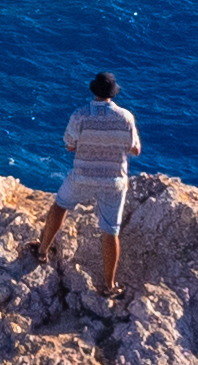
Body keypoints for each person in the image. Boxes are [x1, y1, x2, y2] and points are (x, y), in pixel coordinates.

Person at [37, 72, 139, 304]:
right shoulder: (126, 118)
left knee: (60, 206)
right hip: (114, 181)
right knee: (110, 230)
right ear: (113, 94)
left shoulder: (80, 115)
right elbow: (135, 150)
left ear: (94, 91)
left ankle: (42, 251)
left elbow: (69, 146)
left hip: (82, 176)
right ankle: (109, 285)